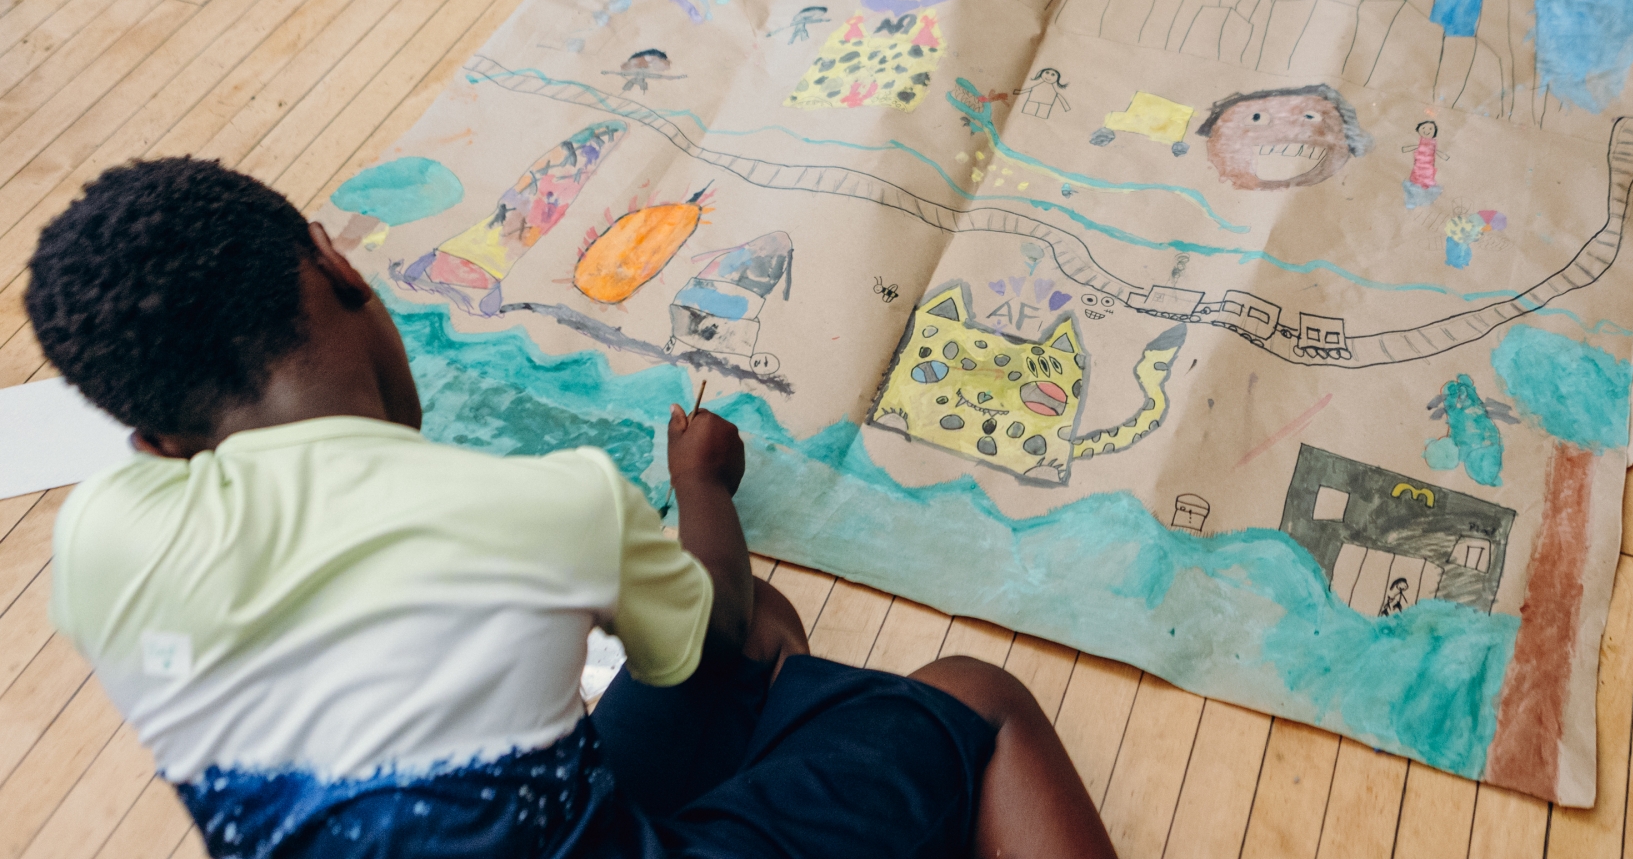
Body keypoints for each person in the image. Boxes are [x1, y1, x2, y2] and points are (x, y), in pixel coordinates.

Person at [27, 158, 1116, 859]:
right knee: (977, 696)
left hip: (546, 820)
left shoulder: (95, 541)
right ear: (335, 258)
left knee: (765, 632)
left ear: (154, 442)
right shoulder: (543, 506)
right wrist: (700, 487)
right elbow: (712, 634)